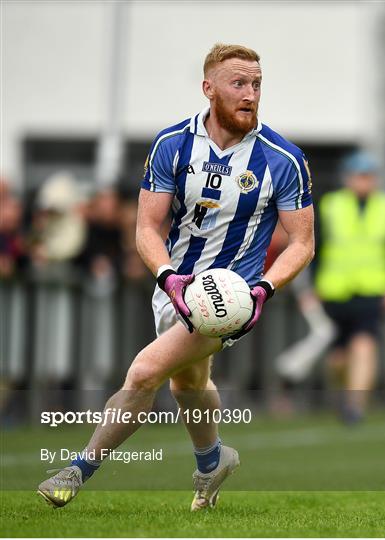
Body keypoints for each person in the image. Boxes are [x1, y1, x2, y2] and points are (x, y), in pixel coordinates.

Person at [37, 43, 314, 510]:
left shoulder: (282, 159)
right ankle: (212, 461)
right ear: (209, 89)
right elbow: (146, 227)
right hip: (174, 288)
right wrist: (168, 276)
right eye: (239, 83)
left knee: (143, 372)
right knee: (186, 384)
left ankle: (75, 471)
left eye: (257, 84)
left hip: (228, 297)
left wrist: (262, 288)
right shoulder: (172, 144)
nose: (251, 94)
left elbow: (302, 242)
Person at [313, 151, 385, 424]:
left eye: (368, 176)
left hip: (373, 288)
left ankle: (355, 407)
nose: (363, 182)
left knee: (364, 345)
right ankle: (346, 396)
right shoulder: (330, 205)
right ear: (348, 179)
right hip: (334, 290)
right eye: (358, 176)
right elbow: (313, 248)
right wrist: (309, 285)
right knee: (338, 359)